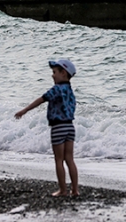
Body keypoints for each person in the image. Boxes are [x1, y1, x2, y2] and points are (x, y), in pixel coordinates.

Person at [15, 59, 79, 197]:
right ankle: (75, 190)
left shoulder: (56, 89)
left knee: (58, 160)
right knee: (69, 159)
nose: (52, 75)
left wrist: (24, 110)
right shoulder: (70, 91)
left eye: (54, 72)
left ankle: (62, 190)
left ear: (63, 73)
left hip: (58, 127)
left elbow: (41, 99)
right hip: (70, 127)